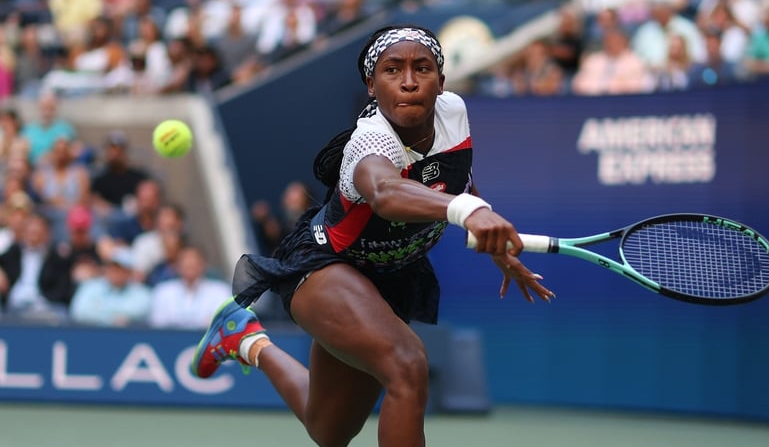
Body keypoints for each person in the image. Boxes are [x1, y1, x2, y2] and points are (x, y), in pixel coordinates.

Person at [189, 25, 555, 447]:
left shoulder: (453, 112)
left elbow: (457, 176)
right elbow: (385, 193)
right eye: (392, 70)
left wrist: (492, 241)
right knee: (407, 365)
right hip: (326, 269)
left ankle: (245, 340)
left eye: (422, 69)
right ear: (371, 85)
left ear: (441, 81)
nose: (409, 81)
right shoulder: (370, 140)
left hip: (389, 280)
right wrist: (469, 211)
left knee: (329, 430)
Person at [69, 248, 151, 327]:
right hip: (92, 334)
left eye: (120, 269)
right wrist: (110, 319)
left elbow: (140, 312)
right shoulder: (89, 287)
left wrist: (100, 312)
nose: (115, 272)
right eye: (112, 268)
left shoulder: (142, 292)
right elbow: (79, 312)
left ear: (129, 272)